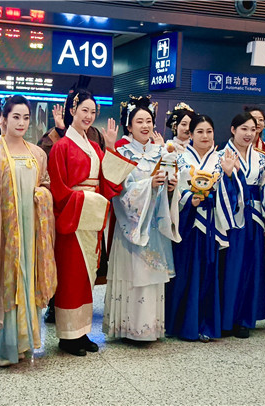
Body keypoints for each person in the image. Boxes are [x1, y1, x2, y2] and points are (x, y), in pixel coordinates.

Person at [0, 95, 56, 366]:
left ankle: (23, 343)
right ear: (3, 119)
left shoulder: (37, 153)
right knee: (5, 282)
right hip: (2, 230)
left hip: (30, 231)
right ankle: (2, 348)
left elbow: (45, 185)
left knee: (27, 278)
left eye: (26, 118)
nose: (21, 123)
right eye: (15, 117)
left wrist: (42, 195)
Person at [48, 88, 135, 356]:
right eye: (84, 110)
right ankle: (67, 335)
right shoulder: (61, 146)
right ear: (72, 110)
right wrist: (86, 199)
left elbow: (107, 181)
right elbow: (58, 189)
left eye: (93, 112)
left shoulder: (95, 147)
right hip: (74, 217)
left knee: (88, 276)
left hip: (92, 215)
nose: (88, 116)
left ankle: (82, 330)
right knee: (71, 276)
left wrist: (110, 147)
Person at [103, 96, 180, 343]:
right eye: (139, 121)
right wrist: (149, 184)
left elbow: (172, 186)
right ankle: (128, 328)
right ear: (129, 126)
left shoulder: (162, 152)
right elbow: (120, 191)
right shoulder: (122, 153)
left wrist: (170, 188)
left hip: (154, 225)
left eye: (148, 121)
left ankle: (150, 328)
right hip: (132, 226)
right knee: (132, 275)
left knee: (151, 277)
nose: (145, 125)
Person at [166, 114, 241, 342]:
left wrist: (229, 175)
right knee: (185, 272)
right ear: (190, 134)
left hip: (211, 224)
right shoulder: (179, 159)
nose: (205, 136)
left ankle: (205, 325)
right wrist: (189, 199)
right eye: (199, 131)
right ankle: (181, 325)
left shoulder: (221, 159)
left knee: (209, 274)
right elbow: (172, 190)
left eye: (209, 131)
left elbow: (233, 194)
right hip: (187, 223)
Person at [219, 112, 265, 339]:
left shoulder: (261, 158)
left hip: (254, 218)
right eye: (243, 129)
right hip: (231, 217)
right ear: (233, 130)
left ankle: (244, 319)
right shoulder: (221, 155)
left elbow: (264, 187)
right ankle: (226, 318)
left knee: (250, 267)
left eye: (252, 130)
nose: (248, 134)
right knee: (230, 267)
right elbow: (218, 188)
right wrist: (229, 177)